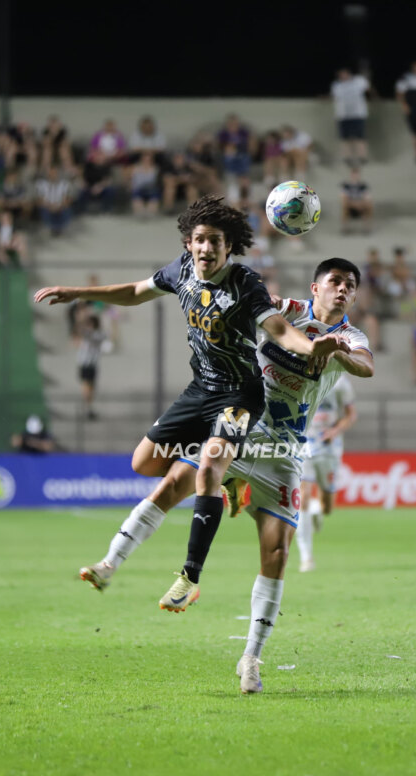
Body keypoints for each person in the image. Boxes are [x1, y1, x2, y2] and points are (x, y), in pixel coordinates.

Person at [62, 260, 372, 695]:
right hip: (239, 426)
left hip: (282, 453)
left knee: (277, 554)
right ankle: (109, 564)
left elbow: (365, 366)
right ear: (315, 287)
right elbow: (256, 310)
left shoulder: (352, 336)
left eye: (350, 285)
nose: (342, 289)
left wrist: (335, 350)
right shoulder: (286, 310)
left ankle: (251, 658)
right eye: (335, 282)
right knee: (171, 483)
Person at [33, 197, 346, 614]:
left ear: (228, 246)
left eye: (215, 240)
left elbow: (277, 328)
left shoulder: (244, 283)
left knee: (209, 469)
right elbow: (133, 291)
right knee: (144, 463)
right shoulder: (179, 271)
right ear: (188, 243)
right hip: (201, 389)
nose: (205, 248)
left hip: (239, 394)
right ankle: (229, 478)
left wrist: (312, 346)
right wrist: (78, 294)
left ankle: (188, 578)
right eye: (199, 239)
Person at [295, 376, 357, 573]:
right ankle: (306, 558)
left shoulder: (340, 382)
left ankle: (317, 511)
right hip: (303, 443)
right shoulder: (299, 375)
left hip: (329, 445)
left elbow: (350, 414)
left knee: (327, 506)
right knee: (302, 496)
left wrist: (336, 431)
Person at [331, 68, 372, 167]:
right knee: (345, 138)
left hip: (358, 114)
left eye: (345, 74)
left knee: (360, 137)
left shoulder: (358, 81)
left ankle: (362, 156)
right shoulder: (337, 85)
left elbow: (368, 88)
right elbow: (334, 97)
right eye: (341, 75)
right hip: (343, 115)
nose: (343, 76)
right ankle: (347, 157)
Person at [75, 314, 107, 420]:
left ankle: (88, 406)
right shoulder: (90, 334)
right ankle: (87, 407)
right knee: (86, 386)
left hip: (92, 364)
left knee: (91, 387)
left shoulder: (97, 335)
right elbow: (79, 330)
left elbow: (87, 333)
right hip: (85, 363)